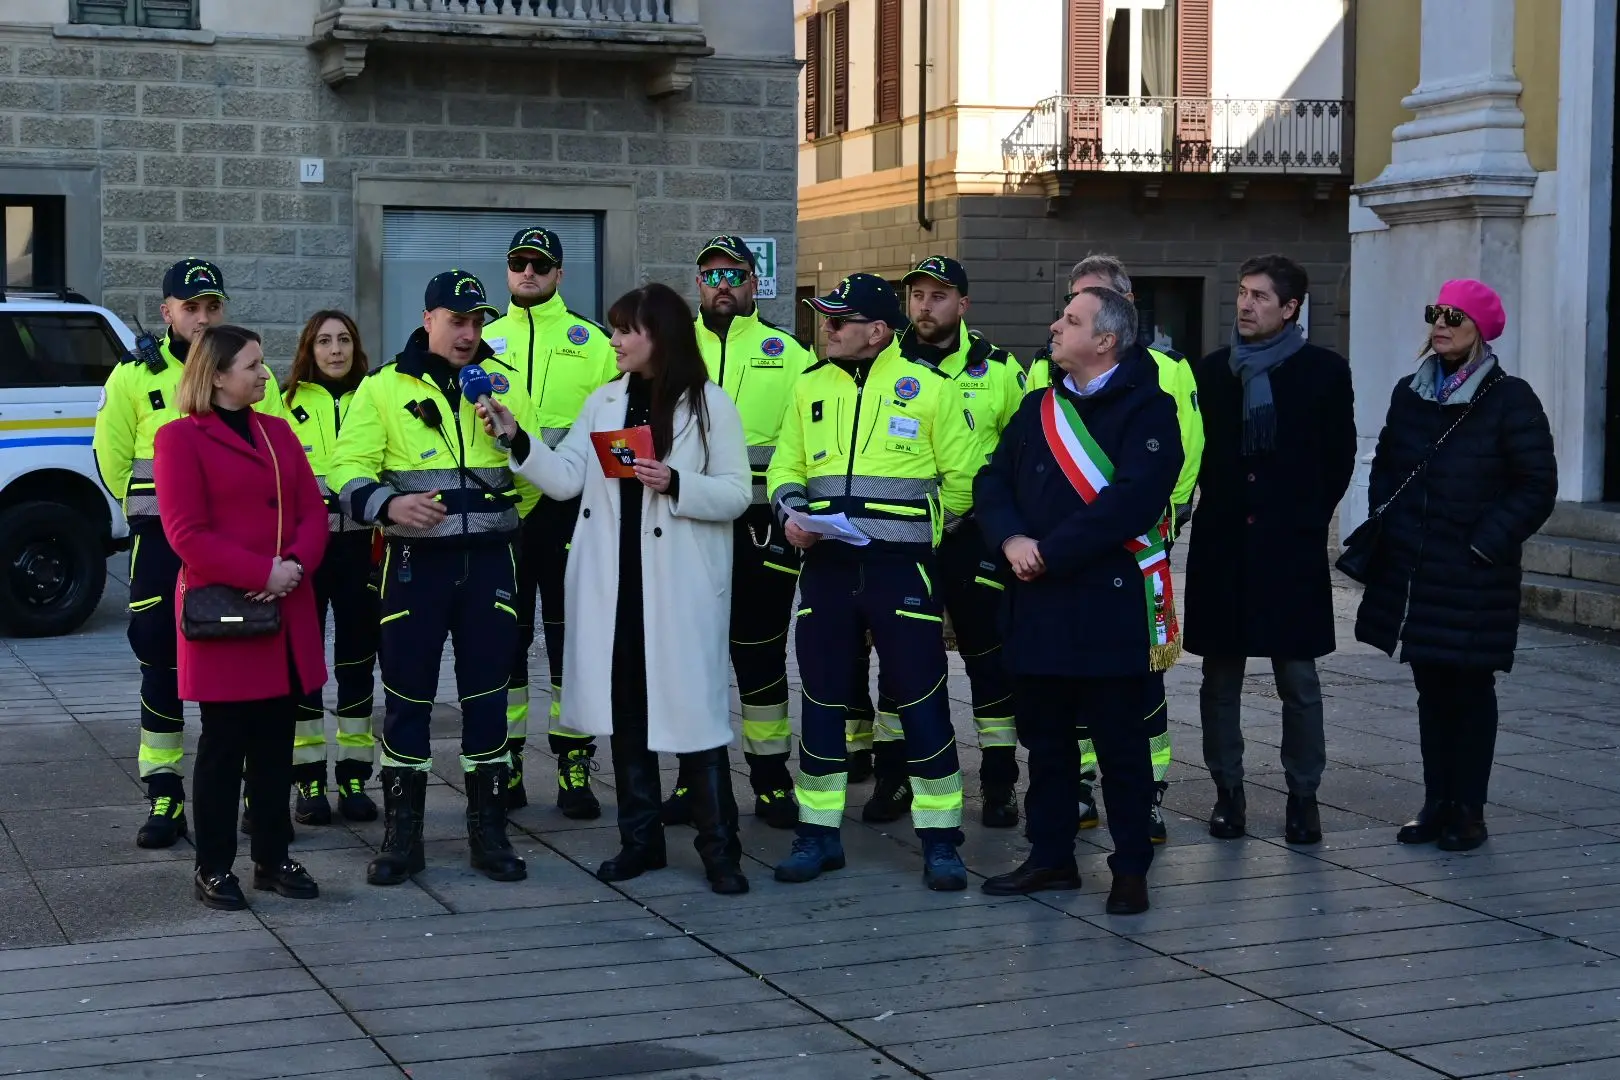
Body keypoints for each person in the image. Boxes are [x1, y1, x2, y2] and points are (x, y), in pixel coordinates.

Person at [483, 283, 754, 894]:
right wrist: (517, 439)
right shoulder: (604, 402)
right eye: (612, 329)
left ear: (658, 334)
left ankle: (721, 849)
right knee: (628, 716)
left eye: (625, 330)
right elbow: (566, 479)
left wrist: (678, 481)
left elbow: (738, 492)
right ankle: (641, 841)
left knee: (696, 720)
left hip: (680, 589)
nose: (614, 341)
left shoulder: (710, 404)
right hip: (617, 584)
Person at [767, 273, 983, 891]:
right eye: (824, 318)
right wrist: (789, 514)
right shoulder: (808, 386)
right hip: (828, 568)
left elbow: (964, 479)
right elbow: (787, 465)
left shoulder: (931, 390)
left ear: (878, 331)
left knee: (921, 701)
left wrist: (920, 533)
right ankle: (817, 834)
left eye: (838, 320)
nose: (826, 328)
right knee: (825, 700)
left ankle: (941, 841)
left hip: (901, 571)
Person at [975, 287, 1182, 915]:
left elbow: (1131, 501)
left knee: (1120, 745)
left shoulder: (1149, 408)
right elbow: (991, 478)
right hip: (1038, 604)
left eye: (1070, 320)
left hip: (1104, 606)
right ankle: (1051, 857)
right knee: (1048, 742)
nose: (1054, 326)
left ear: (1106, 341)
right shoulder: (1039, 406)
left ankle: (1130, 867)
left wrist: (1049, 552)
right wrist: (1011, 539)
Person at [327, 269, 531, 886]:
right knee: (409, 699)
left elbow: (539, 473)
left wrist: (514, 437)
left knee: (488, 699)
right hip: (416, 567)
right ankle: (402, 836)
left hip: (490, 563)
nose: (469, 334)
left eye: (477, 322)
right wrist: (388, 507)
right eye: (457, 321)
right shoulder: (383, 388)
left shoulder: (504, 384)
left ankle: (489, 833)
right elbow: (347, 467)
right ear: (428, 320)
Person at [1354, 280, 1555, 851]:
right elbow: (1387, 464)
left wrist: (1483, 545)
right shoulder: (1410, 393)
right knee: (1430, 688)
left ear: (1481, 328)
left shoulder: (1509, 398)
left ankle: (1469, 809)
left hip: (1472, 573)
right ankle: (1435, 801)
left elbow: (1536, 485)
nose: (1439, 325)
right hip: (1416, 572)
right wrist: (1385, 523)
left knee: (1469, 691)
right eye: (1434, 314)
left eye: (1453, 316)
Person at [92, 259, 283, 850]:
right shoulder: (134, 376)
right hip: (161, 549)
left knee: (247, 660)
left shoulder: (258, 375)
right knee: (160, 664)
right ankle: (165, 790)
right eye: (190, 307)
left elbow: (271, 457)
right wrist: (153, 515)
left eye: (212, 307)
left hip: (233, 552)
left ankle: (253, 791)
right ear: (167, 311)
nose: (202, 319)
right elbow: (112, 459)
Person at [1027, 254, 1204, 843]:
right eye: (1069, 302)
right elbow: (1025, 464)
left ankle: (1145, 798)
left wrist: (1160, 525)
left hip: (1133, 553)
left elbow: (1182, 459)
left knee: (1135, 689)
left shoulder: (1166, 374)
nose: (1061, 322)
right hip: (1058, 561)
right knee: (1063, 695)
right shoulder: (1042, 380)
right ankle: (1074, 792)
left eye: (1087, 304)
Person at [846, 256, 1026, 828]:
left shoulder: (997, 368)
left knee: (987, 659)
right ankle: (896, 777)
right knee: (902, 664)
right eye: (917, 295)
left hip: (972, 536)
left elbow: (1021, 452)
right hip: (905, 538)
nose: (925, 305)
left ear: (962, 305)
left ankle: (999, 783)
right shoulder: (882, 362)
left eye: (938, 295)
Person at [152, 324, 328, 910]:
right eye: (252, 364)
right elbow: (185, 534)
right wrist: (262, 574)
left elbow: (310, 511)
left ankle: (272, 857)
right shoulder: (179, 440)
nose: (263, 373)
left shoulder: (278, 432)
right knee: (224, 748)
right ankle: (214, 866)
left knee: (278, 744)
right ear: (218, 374)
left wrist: (295, 566)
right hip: (227, 615)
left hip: (284, 612)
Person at [1183, 254, 1356, 845]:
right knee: (1219, 681)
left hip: (1290, 548)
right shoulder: (1211, 372)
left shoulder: (1325, 372)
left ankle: (1302, 796)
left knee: (1299, 682)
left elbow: (1340, 457)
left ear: (1290, 308)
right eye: (1241, 293)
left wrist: (1307, 521)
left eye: (1259, 296)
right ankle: (1227, 792)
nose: (1245, 305)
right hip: (1224, 547)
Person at [654, 236, 815, 831]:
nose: (722, 284)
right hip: (686, 516)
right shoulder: (673, 349)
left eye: (734, 274)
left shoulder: (790, 352)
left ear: (754, 282)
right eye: (710, 274)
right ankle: (691, 780)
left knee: (759, 652)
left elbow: (803, 441)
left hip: (757, 520)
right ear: (698, 284)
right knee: (692, 654)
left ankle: (772, 780)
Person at [484, 228, 619, 817]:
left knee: (571, 640)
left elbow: (613, 426)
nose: (529, 272)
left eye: (541, 264)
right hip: (504, 512)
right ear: (508, 270)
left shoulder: (589, 341)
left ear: (560, 273)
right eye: (519, 263)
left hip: (569, 509)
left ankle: (572, 761)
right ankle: (507, 759)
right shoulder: (482, 339)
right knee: (505, 644)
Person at [280, 310, 380, 825]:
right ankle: (309, 778)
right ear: (309, 349)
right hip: (306, 548)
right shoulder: (285, 400)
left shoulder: (376, 394)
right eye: (324, 341)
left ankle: (356, 774)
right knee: (304, 664)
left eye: (344, 340)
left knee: (357, 661)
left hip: (361, 546)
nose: (335, 350)